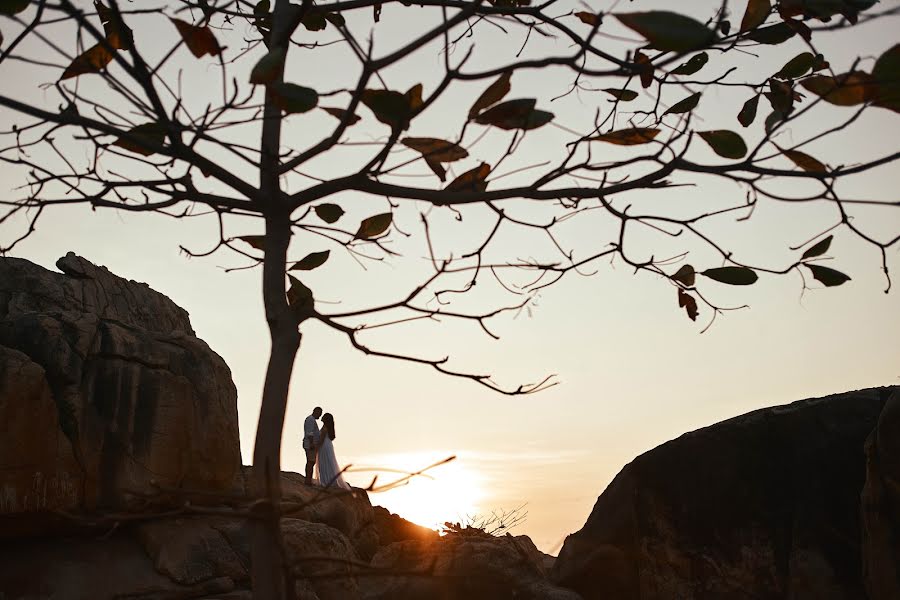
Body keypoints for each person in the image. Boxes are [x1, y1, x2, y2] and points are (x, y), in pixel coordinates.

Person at [314, 413, 351, 490]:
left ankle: (326, 481)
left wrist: (316, 448)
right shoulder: (328, 428)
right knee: (329, 462)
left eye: (324, 416)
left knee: (324, 462)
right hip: (328, 446)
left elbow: (321, 440)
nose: (322, 417)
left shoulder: (324, 428)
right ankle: (329, 480)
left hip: (324, 446)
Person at [303, 406, 322, 486]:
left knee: (311, 462)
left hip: (311, 444)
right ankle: (308, 480)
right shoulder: (310, 419)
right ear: (315, 411)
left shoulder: (312, 420)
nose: (320, 416)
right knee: (310, 462)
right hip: (310, 444)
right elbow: (310, 433)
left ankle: (308, 479)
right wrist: (312, 443)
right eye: (319, 413)